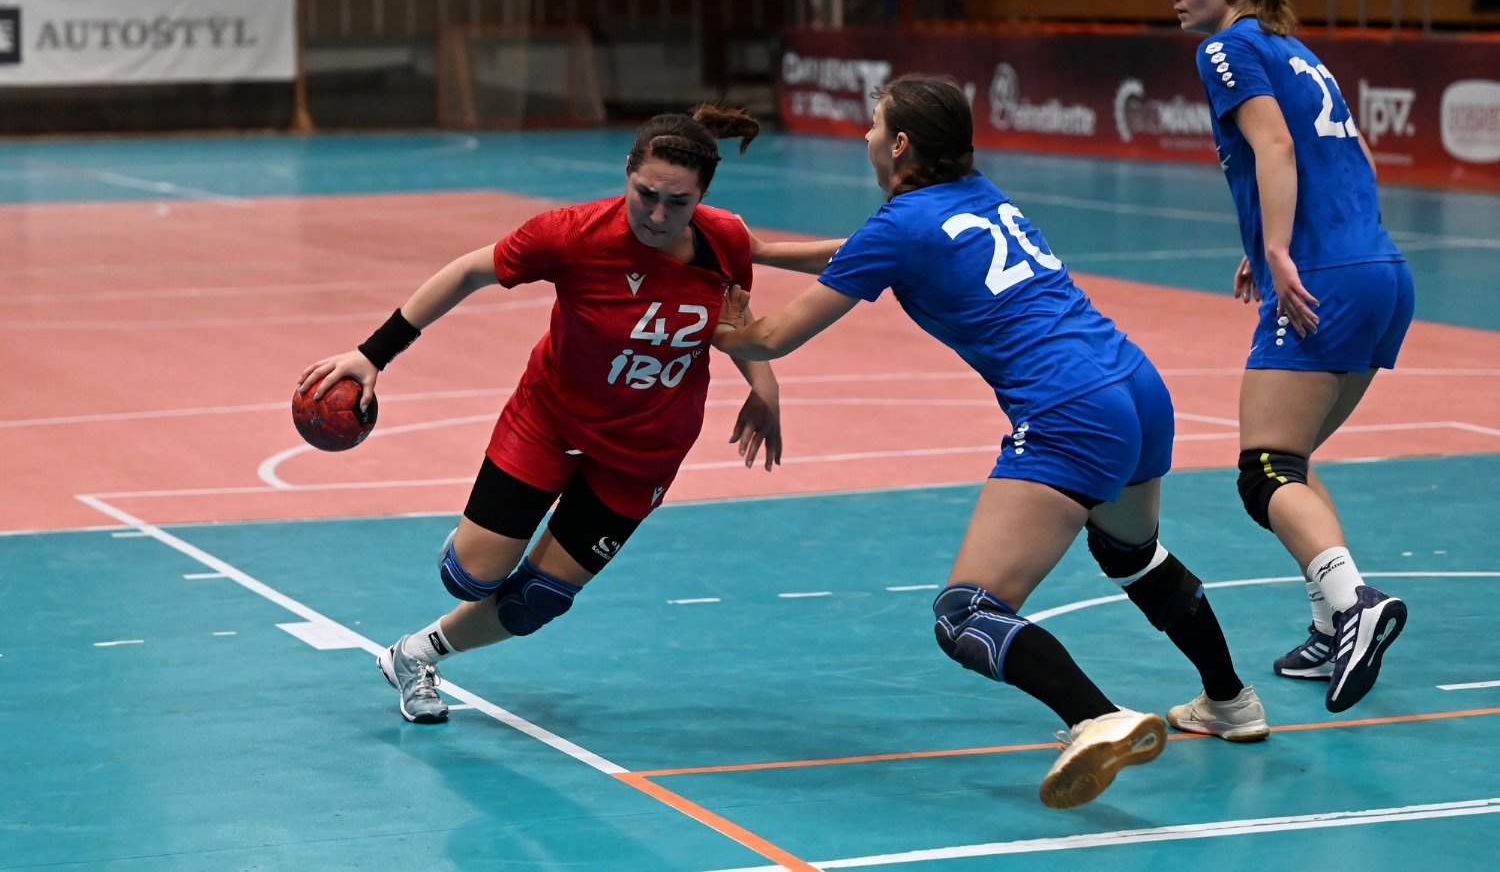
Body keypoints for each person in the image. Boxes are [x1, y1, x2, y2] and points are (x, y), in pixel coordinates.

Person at [718, 74, 1268, 811]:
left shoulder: (900, 227)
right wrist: (762, 251)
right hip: (1135, 385)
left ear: (901, 144)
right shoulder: (978, 195)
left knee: (966, 612)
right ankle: (1230, 700)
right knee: (1130, 553)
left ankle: (1097, 717)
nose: (866, 136)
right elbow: (868, 252)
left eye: (874, 124)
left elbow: (776, 337)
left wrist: (716, 323)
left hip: (1069, 408)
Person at [297, 104, 785, 726]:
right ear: (627, 172)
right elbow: (469, 271)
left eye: (679, 203)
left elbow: (734, 320)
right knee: (470, 578)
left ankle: (415, 656)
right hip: (550, 422)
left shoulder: (726, 241)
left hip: (645, 454)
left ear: (703, 198)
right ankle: (482, 546)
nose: (658, 215)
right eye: (646, 195)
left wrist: (764, 388)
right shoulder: (572, 234)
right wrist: (374, 354)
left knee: (538, 601)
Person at [1167, 0, 1413, 712]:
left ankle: (1354, 603)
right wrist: (1267, 244)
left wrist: (1279, 249)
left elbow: (1274, 144)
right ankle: (1328, 629)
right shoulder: (1296, 51)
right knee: (1293, 459)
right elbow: (1354, 159)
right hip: (1379, 269)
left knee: (1265, 469)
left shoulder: (1225, 49)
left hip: (1322, 277)